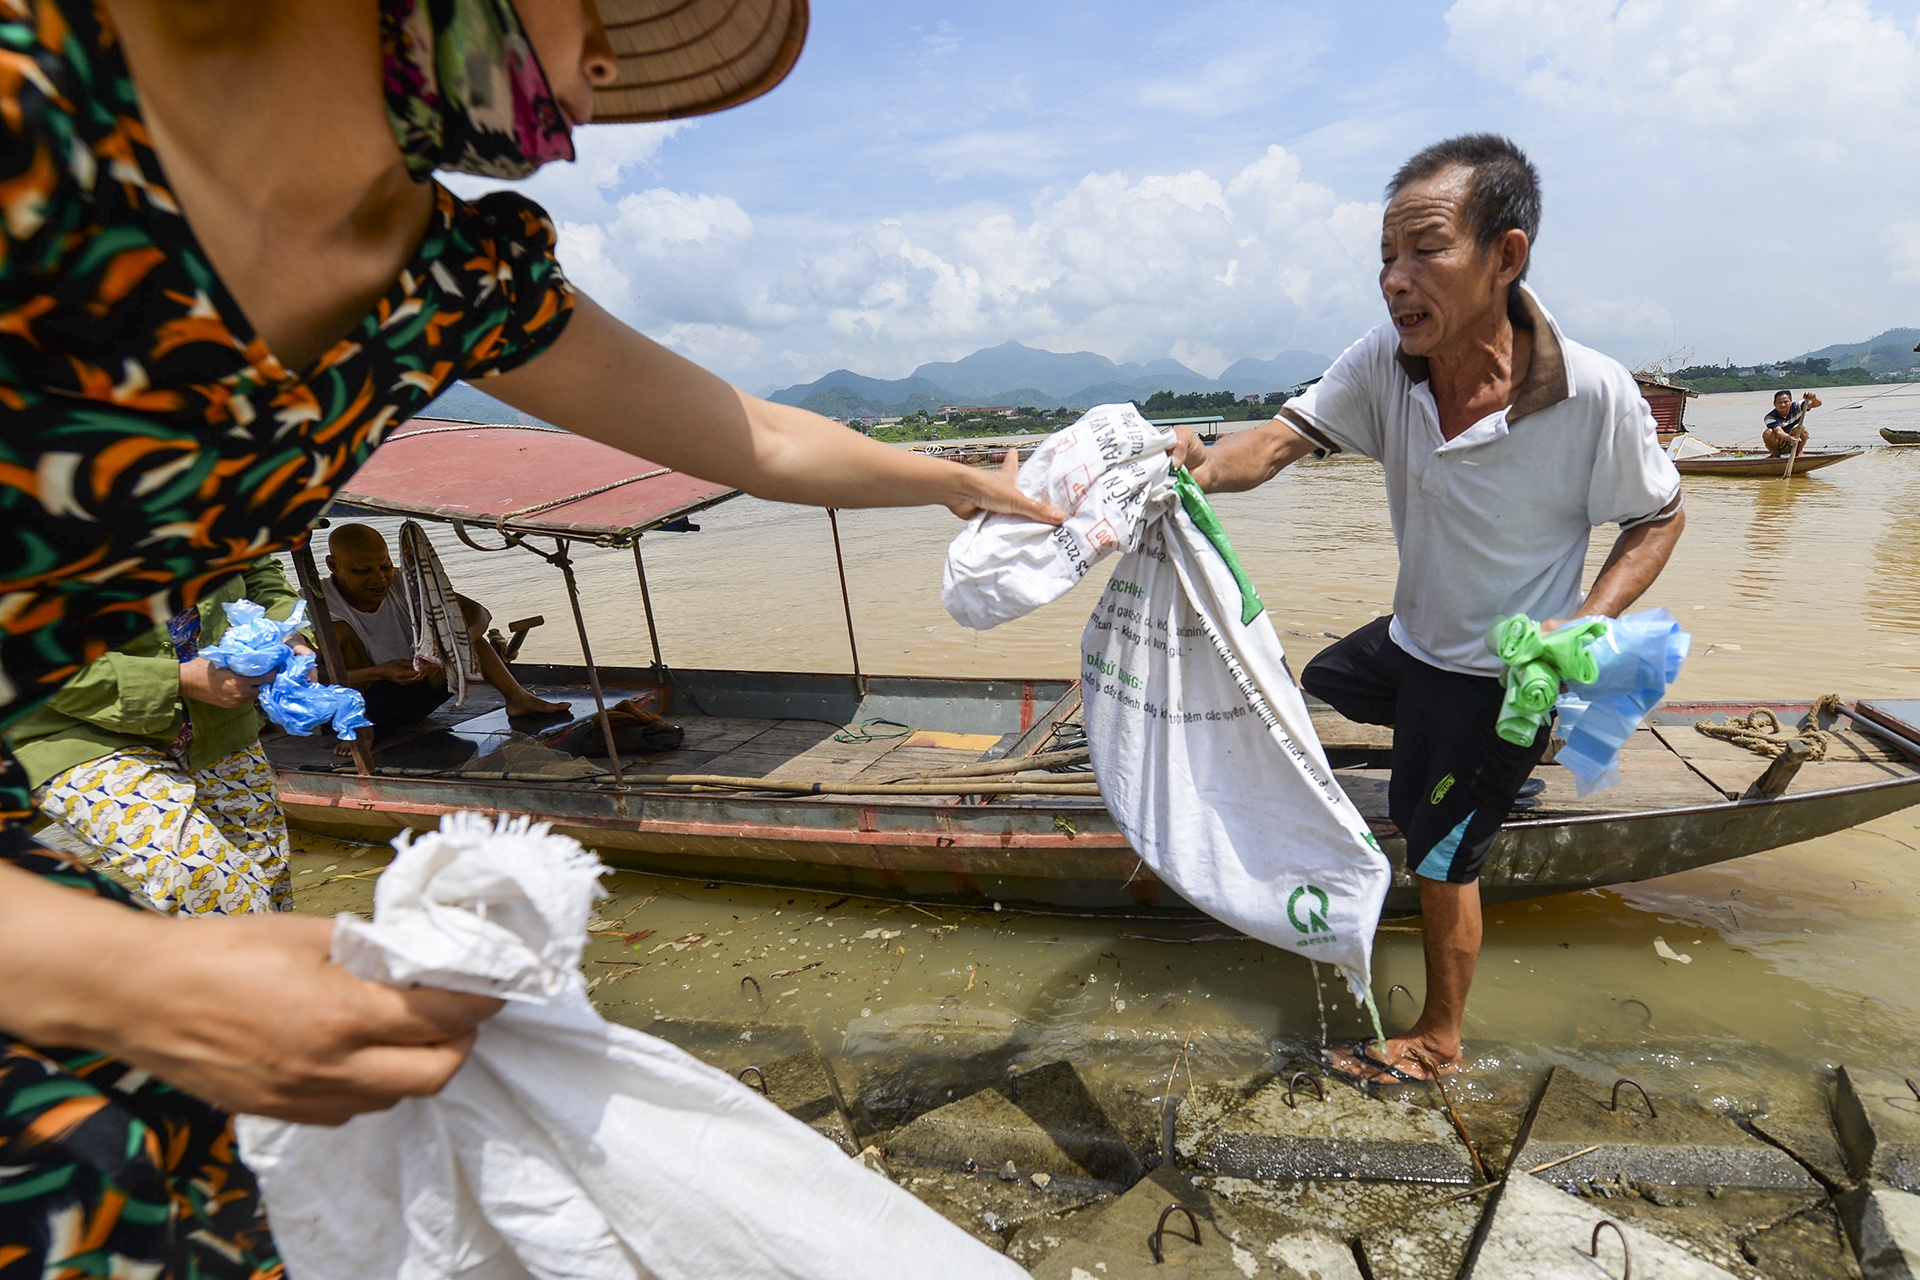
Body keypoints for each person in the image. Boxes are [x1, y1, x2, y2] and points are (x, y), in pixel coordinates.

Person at [0, 1, 1058, 1273]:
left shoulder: (450, 277)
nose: (605, 63)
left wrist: (963, 483)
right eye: (592, 6)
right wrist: (131, 979)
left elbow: (757, 435)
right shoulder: (36, 111)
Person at [1173, 134, 1685, 1083]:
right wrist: (1199, 463)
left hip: (1494, 676)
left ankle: (1440, 1040)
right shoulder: (1385, 363)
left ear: (1507, 257)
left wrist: (1590, 618)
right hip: (1414, 642)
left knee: (1441, 855)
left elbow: (1660, 518)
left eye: (1424, 251)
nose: (1395, 280)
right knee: (1321, 680)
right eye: (1384, 257)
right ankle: (1474, 779)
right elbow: (1277, 445)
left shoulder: (1596, 396)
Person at [6, 557, 308, 916]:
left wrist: (288, 631)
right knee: (204, 878)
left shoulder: (202, 501)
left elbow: (256, 566)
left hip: (219, 720)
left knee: (268, 876)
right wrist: (180, 679)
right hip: (72, 728)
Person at [322, 522, 567, 727]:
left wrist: (447, 646)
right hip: (370, 705)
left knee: (460, 627)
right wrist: (381, 672)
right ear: (334, 565)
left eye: (384, 566)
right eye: (363, 571)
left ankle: (518, 699)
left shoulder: (401, 582)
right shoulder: (316, 603)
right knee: (339, 632)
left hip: (424, 688)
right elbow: (304, 678)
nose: (379, 579)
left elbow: (479, 612)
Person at [1763, 389, 1821, 457]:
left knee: (1799, 428)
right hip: (1781, 444)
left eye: (1785, 402)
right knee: (1768, 432)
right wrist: (1790, 439)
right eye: (1779, 402)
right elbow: (1779, 432)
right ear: (1774, 403)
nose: (1783, 405)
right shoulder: (1770, 417)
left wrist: (1814, 398)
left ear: (1790, 402)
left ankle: (1799, 452)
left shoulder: (1797, 407)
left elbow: (1816, 404)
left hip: (1797, 441)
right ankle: (1776, 454)